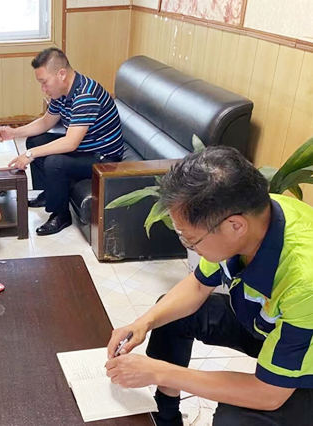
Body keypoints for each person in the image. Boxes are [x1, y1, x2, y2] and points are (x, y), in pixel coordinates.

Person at [104, 146, 313, 426]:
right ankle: (166, 416)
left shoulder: (304, 280)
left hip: (306, 361)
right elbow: (198, 286)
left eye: (191, 240)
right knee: (171, 315)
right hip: (271, 326)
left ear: (235, 226)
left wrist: (159, 371)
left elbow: (269, 394)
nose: (189, 246)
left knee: (235, 420)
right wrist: (143, 323)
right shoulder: (252, 214)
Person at [0, 48, 123, 236]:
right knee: (36, 141)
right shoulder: (62, 92)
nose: (43, 89)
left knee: (55, 162)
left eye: (44, 82)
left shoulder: (85, 95)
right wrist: (13, 132)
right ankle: (48, 194)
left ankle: (61, 215)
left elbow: (70, 143)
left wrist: (29, 155)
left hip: (104, 159)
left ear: (61, 74)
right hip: (84, 148)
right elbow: (46, 122)